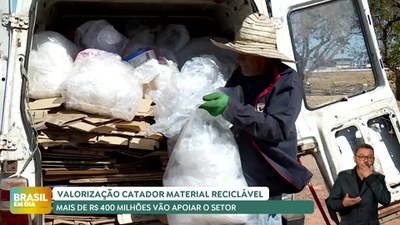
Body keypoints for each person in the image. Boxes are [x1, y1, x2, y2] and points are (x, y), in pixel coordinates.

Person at [199, 12, 313, 225]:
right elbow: (230, 94)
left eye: (244, 54)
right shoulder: (241, 74)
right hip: (238, 177)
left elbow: (276, 128)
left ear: (264, 56)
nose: (238, 58)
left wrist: (230, 108)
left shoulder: (287, 82)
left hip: (265, 180)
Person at [326, 143, 391, 225]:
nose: (366, 160)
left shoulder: (378, 178)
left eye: (369, 157)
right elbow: (330, 202)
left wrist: (370, 177)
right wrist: (343, 203)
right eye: (362, 156)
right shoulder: (344, 176)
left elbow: (386, 200)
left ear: (373, 160)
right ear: (354, 159)